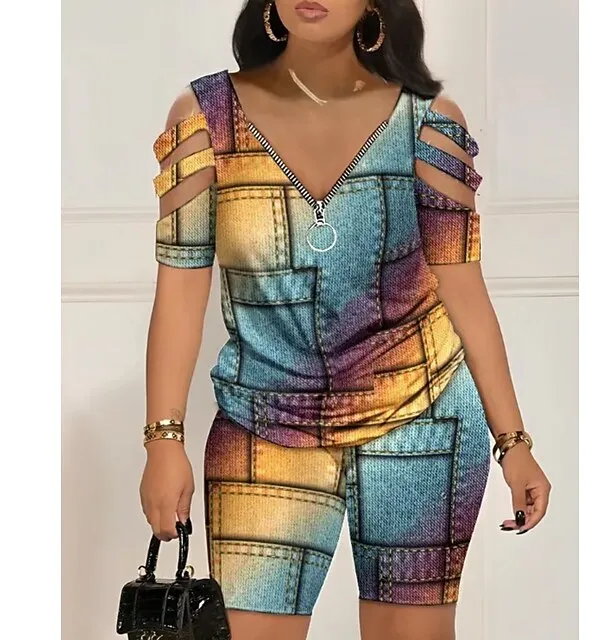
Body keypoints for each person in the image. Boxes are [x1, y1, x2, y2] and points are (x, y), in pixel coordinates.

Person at [139, 1, 552, 638]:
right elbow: (179, 294)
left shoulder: (428, 123)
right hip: (262, 425)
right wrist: (164, 440)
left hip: (423, 421)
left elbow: (466, 296)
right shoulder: (205, 119)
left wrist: (514, 445)